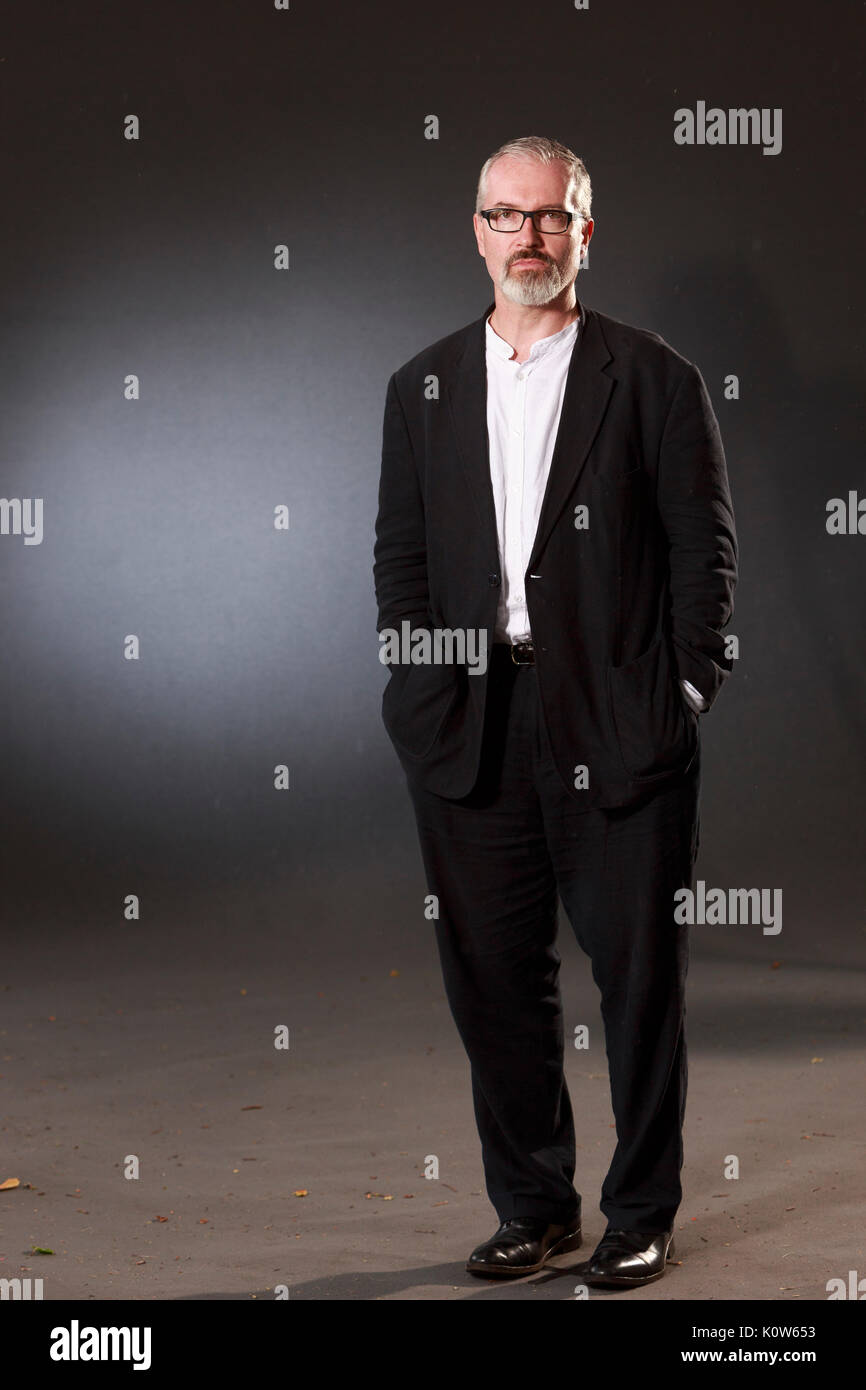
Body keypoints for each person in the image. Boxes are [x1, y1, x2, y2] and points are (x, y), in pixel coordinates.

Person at [373, 135, 737, 1287]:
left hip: (617, 721)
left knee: (636, 982)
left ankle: (639, 1210)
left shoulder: (654, 377)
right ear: (473, 230)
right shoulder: (419, 385)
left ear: (585, 230)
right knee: (492, 978)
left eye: (549, 215)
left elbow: (703, 556)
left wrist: (681, 689)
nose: (526, 235)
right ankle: (534, 1205)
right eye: (503, 214)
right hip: (470, 728)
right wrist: (417, 685)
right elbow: (399, 558)